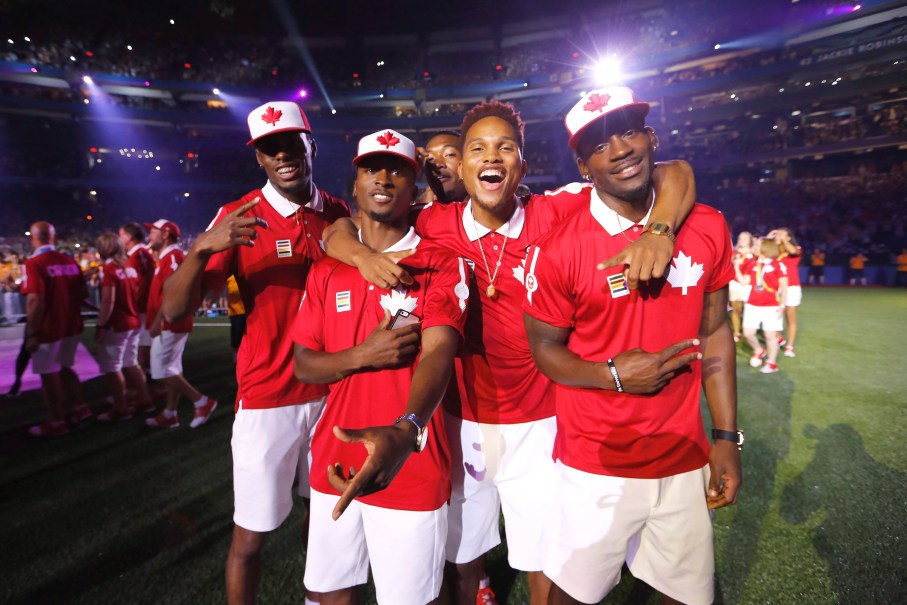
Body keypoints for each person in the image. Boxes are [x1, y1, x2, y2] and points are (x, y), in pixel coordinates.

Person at [322, 94, 697, 605]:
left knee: (544, 559)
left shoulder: (557, 211)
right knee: (459, 553)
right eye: (477, 148)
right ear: (465, 162)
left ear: (523, 162)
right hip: (458, 417)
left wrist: (660, 230)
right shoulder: (434, 223)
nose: (492, 157)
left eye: (505, 148)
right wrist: (364, 258)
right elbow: (337, 228)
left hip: (541, 421)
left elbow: (673, 171)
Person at [522, 86, 741, 605]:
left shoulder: (706, 225)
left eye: (628, 131)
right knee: (572, 597)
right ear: (583, 167)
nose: (619, 149)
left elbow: (714, 331)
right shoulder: (558, 249)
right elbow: (545, 351)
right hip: (595, 461)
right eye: (599, 144)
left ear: (651, 137)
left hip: (684, 454)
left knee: (687, 596)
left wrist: (727, 436)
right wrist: (613, 375)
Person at [160, 100, 350, 605]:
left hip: (336, 394)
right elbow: (173, 309)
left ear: (311, 144)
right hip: (268, 398)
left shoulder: (337, 211)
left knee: (326, 520)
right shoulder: (239, 216)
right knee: (250, 537)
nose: (282, 155)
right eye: (270, 148)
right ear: (259, 160)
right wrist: (201, 247)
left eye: (290, 142)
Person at [293, 128, 468, 605]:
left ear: (416, 190)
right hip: (334, 456)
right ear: (354, 185)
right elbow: (304, 364)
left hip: (409, 460)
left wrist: (406, 427)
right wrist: (361, 356)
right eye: (372, 168)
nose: (384, 178)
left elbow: (438, 352)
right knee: (330, 595)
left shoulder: (439, 265)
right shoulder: (328, 268)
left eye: (398, 170)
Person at [20, 221, 93, 436]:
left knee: (49, 376)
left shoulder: (34, 263)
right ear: (53, 237)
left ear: (33, 238)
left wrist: (32, 333)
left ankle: (56, 421)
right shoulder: (69, 261)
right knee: (65, 368)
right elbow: (82, 296)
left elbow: (35, 301)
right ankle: (81, 407)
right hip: (71, 325)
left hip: (49, 329)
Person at [143, 219, 217, 429]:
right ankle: (170, 413)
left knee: (160, 371)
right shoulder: (168, 256)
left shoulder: (173, 256)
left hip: (170, 322)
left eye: (153, 232)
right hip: (170, 321)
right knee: (171, 369)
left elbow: (174, 294)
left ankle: (201, 402)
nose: (149, 237)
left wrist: (158, 320)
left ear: (165, 234)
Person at [94, 232, 154, 421]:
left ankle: (121, 408)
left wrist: (101, 325)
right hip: (133, 320)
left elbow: (107, 302)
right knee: (130, 362)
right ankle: (145, 400)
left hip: (117, 323)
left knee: (112, 367)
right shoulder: (129, 267)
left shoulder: (109, 269)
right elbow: (135, 293)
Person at [737, 238, 788, 374]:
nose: (756, 247)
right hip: (752, 305)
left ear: (766, 247)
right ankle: (759, 350)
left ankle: (771, 363)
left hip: (771, 306)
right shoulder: (753, 264)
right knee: (748, 333)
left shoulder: (778, 265)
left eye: (759, 245)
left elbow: (784, 286)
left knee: (770, 336)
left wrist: (782, 305)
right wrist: (736, 267)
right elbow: (744, 282)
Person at [119, 222, 156, 379]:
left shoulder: (137, 255)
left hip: (140, 307)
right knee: (143, 342)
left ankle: (143, 379)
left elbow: (140, 284)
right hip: (146, 305)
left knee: (140, 344)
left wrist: (131, 304)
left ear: (129, 237)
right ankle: (146, 375)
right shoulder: (142, 253)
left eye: (121, 236)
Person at [772, 228, 802, 357]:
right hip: (774, 288)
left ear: (789, 237)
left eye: (782, 233)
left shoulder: (796, 249)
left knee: (790, 318)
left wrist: (783, 240)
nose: (778, 235)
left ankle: (789, 346)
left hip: (792, 288)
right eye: (777, 233)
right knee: (774, 317)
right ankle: (779, 337)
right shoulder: (773, 251)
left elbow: (793, 251)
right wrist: (769, 237)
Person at [419, 130, 467, 204]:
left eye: (449, 154)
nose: (437, 164)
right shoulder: (417, 213)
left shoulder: (489, 210)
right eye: (430, 159)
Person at [728, 231, 755, 343]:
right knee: (736, 308)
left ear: (750, 240)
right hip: (735, 283)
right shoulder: (734, 253)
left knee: (748, 309)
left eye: (745, 238)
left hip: (748, 284)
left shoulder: (754, 254)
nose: (742, 240)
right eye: (740, 238)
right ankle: (737, 332)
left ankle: (749, 331)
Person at [225, 275, 246, 365]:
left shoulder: (244, 275)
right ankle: (235, 356)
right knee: (236, 335)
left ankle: (247, 356)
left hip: (249, 310)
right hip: (236, 312)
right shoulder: (229, 277)